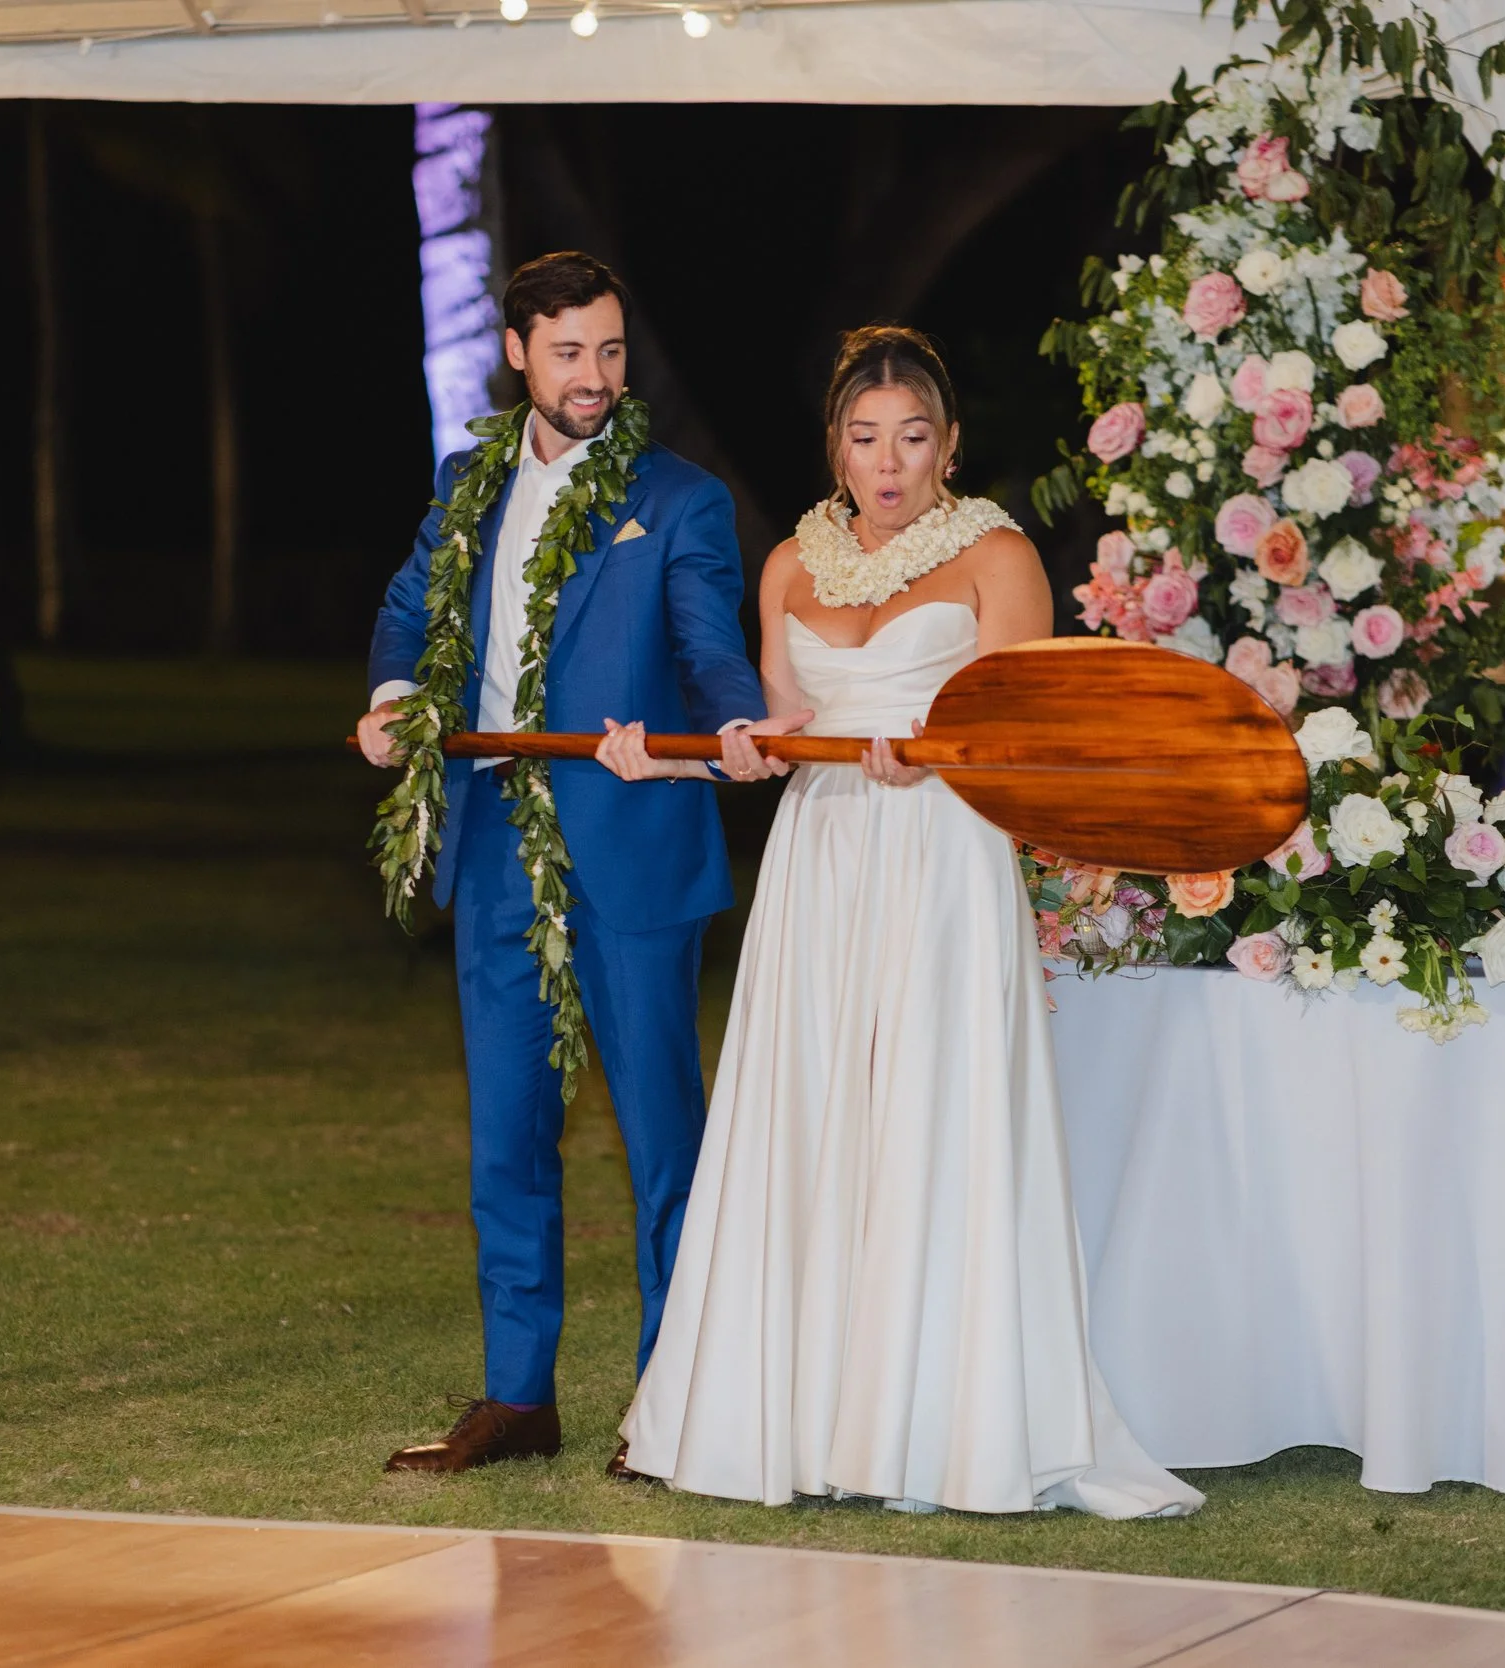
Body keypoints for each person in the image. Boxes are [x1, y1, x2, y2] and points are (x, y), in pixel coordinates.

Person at [616, 327, 1203, 1519]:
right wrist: (670, 761)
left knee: (933, 1112)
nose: (888, 464)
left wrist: (939, 761)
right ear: (835, 448)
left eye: (912, 438)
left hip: (939, 862)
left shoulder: (993, 553)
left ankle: (936, 1426)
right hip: (821, 864)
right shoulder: (788, 561)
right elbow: (775, 742)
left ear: (948, 447)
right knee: (815, 1110)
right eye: (865, 438)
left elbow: (1027, 737)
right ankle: (800, 1417)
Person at [359, 253, 807, 1476]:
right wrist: (396, 695)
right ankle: (518, 1397)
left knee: (662, 1142)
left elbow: (711, 646)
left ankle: (670, 1407)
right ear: (518, 353)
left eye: (610, 352)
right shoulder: (466, 485)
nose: (594, 378)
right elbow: (410, 609)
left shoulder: (678, 499)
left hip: (633, 848)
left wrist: (729, 727)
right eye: (569, 354)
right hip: (499, 840)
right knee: (506, 1137)